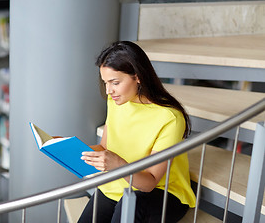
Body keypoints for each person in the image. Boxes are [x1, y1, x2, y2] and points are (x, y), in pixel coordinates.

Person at [78, 41, 196, 223]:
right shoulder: (117, 101)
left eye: (115, 82)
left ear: (138, 76)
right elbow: (103, 147)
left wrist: (117, 164)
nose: (109, 91)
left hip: (162, 192)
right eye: (105, 83)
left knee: (129, 205)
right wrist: (70, 148)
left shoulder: (170, 117)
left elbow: (149, 182)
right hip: (120, 180)